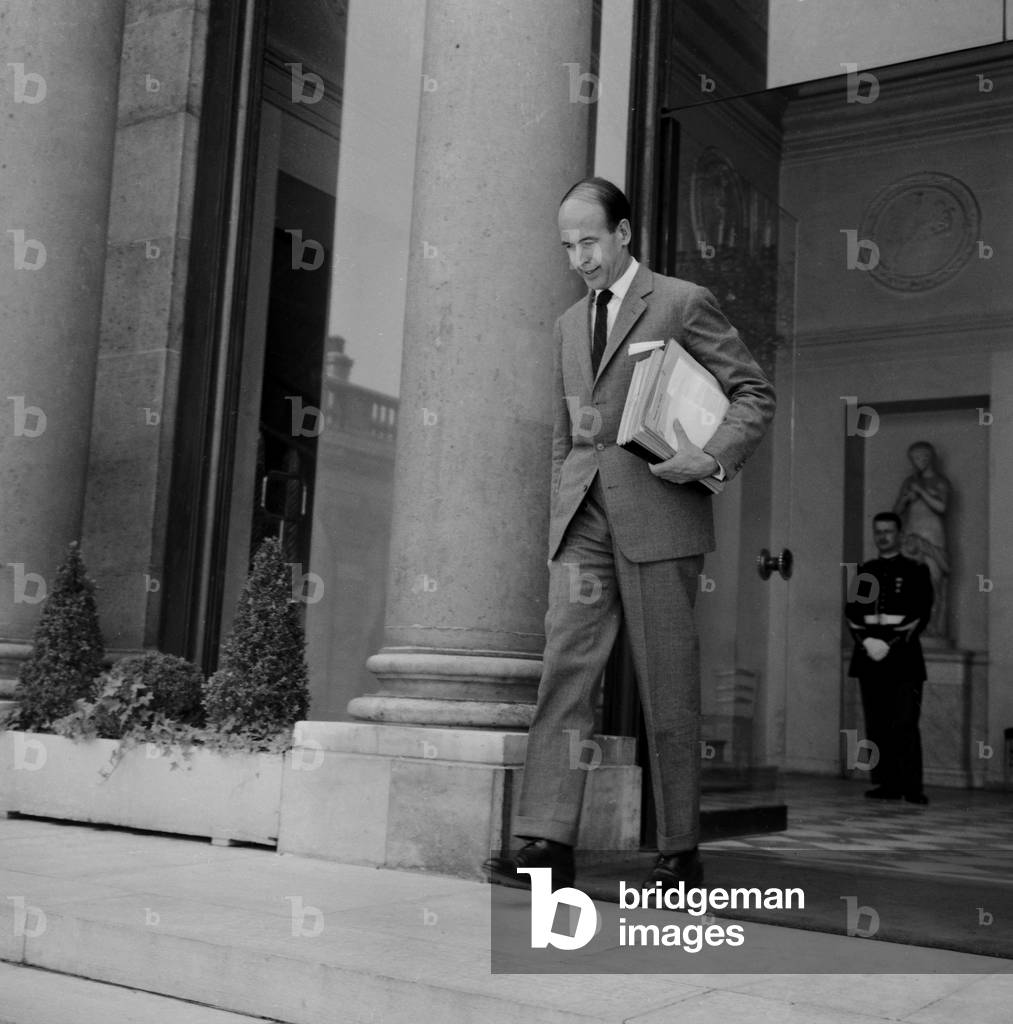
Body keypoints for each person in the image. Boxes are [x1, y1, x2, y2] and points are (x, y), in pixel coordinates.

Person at [483, 177, 776, 891]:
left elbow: (752, 393)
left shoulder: (680, 301)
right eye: (566, 246)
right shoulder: (564, 324)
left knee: (666, 684)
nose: (578, 258)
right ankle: (545, 843)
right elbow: (565, 438)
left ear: (623, 234)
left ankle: (678, 854)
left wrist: (710, 456)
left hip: (659, 515)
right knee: (565, 675)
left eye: (589, 241)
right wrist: (559, 515)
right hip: (584, 521)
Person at [845, 511, 933, 804]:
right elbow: (853, 614)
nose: (882, 536)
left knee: (905, 723)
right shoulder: (866, 571)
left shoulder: (916, 570)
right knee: (877, 723)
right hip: (870, 657)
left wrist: (890, 644)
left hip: (904, 658)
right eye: (878, 531)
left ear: (899, 534)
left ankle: (911, 787)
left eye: (888, 531)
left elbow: (920, 615)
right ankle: (885, 784)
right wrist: (867, 642)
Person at [893, 441, 950, 640]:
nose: (918, 461)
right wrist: (906, 498)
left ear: (929, 457)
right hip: (911, 536)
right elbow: (897, 512)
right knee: (911, 584)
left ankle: (933, 628)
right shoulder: (909, 482)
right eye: (914, 458)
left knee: (934, 582)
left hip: (933, 537)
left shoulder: (940, 481)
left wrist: (922, 492)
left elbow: (942, 508)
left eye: (921, 457)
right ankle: (913, 626)